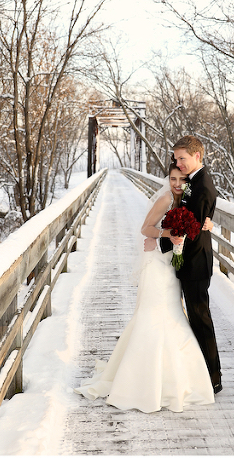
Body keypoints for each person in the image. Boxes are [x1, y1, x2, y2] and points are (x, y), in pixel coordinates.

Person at [74, 161, 215, 412]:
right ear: (168, 179)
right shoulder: (164, 200)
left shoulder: (187, 199)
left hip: (173, 264)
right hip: (157, 264)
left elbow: (199, 215)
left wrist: (208, 224)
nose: (177, 184)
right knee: (152, 313)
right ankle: (140, 377)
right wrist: (167, 233)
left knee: (172, 313)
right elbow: (145, 228)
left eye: (182, 180)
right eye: (173, 179)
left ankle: (175, 376)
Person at [158, 135, 222, 394]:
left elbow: (191, 229)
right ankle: (202, 372)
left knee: (200, 319)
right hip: (189, 261)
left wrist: (164, 241)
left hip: (195, 263)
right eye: (176, 159)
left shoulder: (203, 186)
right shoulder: (192, 183)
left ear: (197, 156)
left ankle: (212, 378)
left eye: (182, 158)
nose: (178, 163)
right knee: (195, 318)